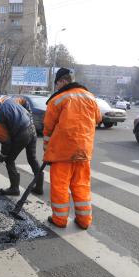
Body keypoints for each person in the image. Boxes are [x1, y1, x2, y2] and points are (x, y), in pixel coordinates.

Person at [43, 68, 101, 229]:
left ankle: (60, 220)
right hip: (84, 151)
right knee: (81, 185)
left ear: (62, 81)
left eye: (56, 83)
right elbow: (98, 118)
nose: (56, 87)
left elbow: (47, 128)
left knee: (60, 186)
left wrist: (47, 151)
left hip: (62, 152)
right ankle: (84, 221)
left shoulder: (58, 100)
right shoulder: (90, 97)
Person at [0, 97, 43, 196]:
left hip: (21, 134)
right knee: (32, 158)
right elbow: (24, 100)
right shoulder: (8, 100)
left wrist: (3, 154)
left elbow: (6, 142)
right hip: (31, 128)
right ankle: (39, 187)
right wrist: (28, 115)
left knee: (9, 160)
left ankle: (14, 188)